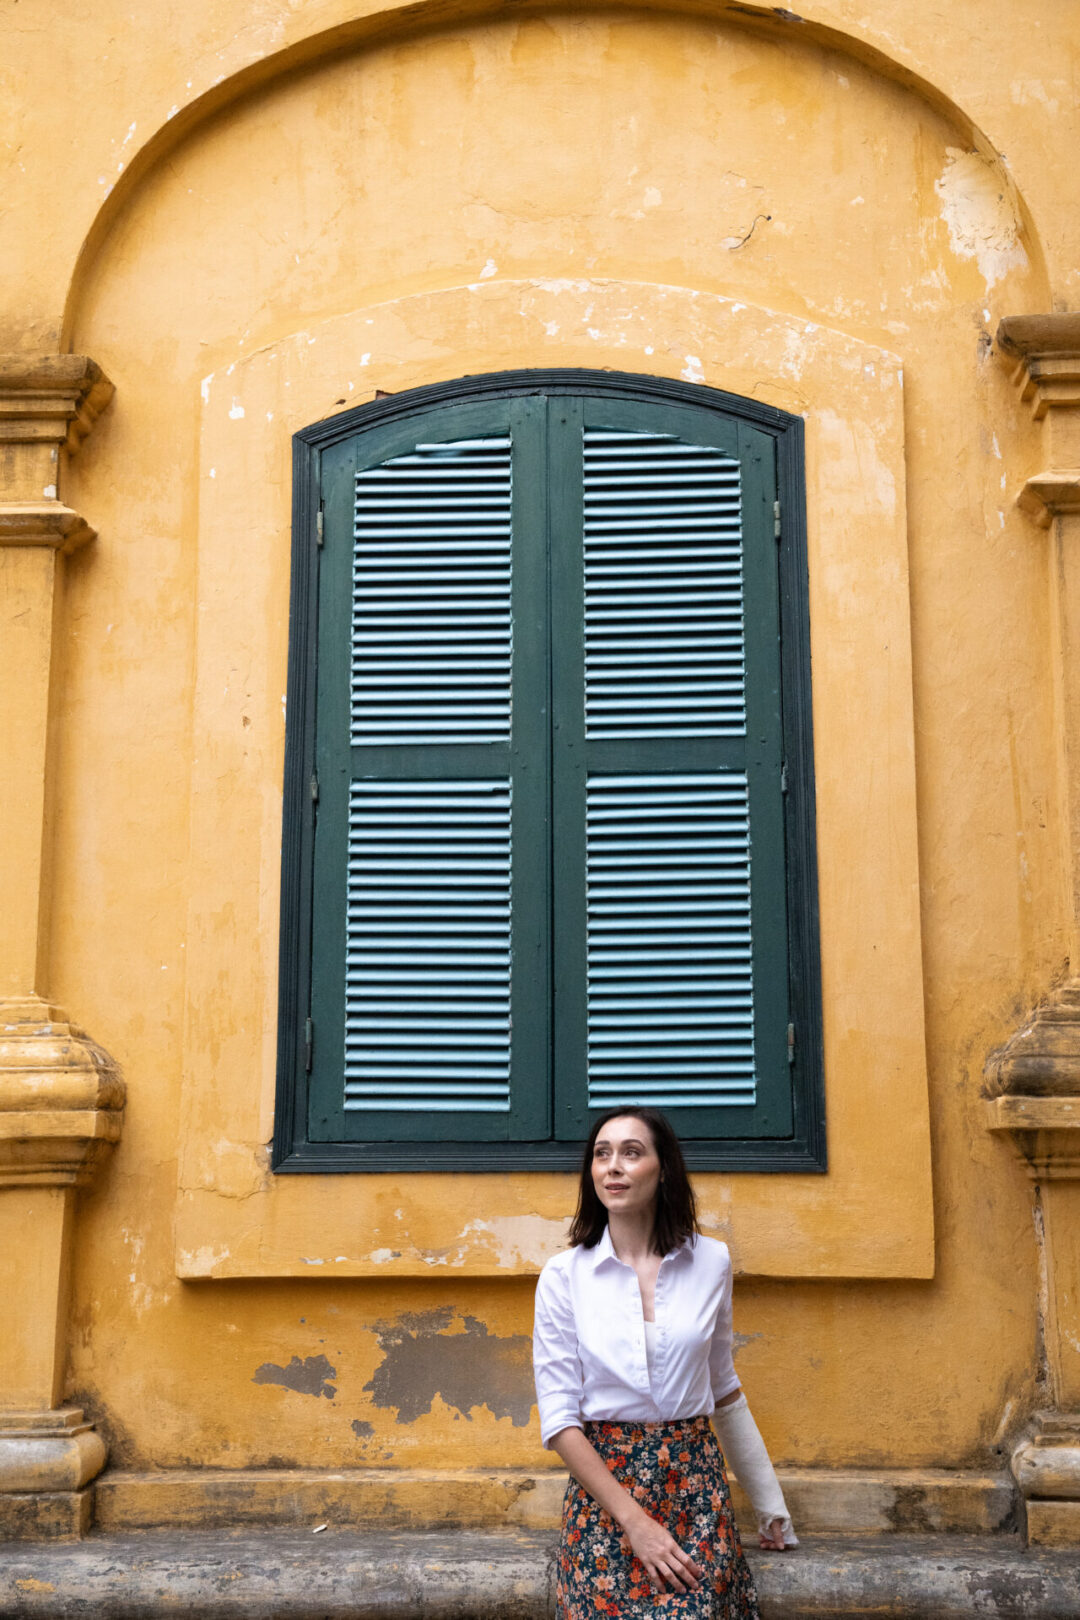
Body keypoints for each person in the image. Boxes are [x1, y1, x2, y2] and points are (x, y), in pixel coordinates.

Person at [533, 1105, 796, 1618]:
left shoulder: (711, 1262)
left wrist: (769, 1506)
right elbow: (561, 1421)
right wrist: (635, 1523)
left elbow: (723, 1387)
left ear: (664, 1169)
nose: (613, 1166)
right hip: (607, 1498)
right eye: (602, 1154)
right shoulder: (564, 1277)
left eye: (632, 1153)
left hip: (696, 1488)